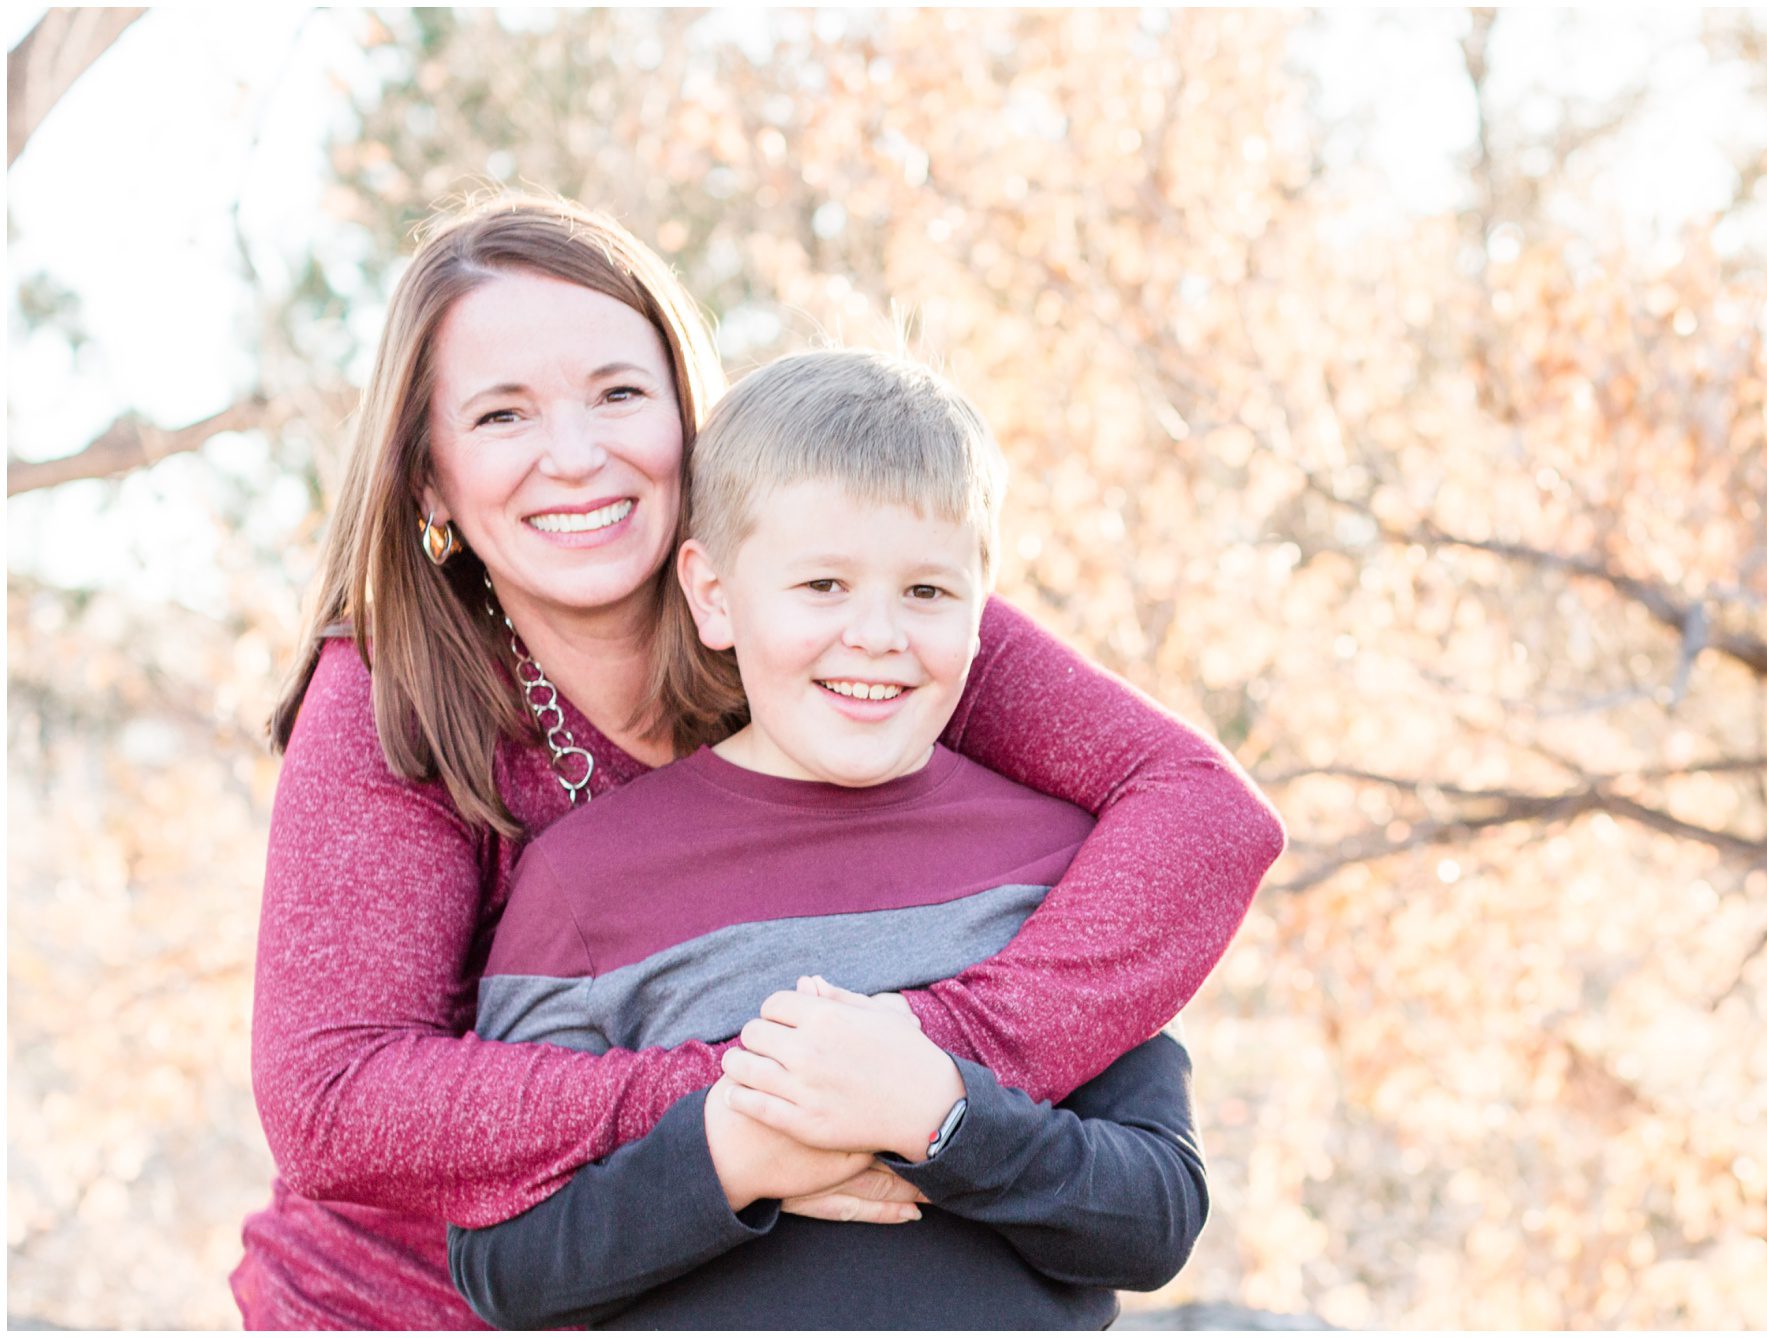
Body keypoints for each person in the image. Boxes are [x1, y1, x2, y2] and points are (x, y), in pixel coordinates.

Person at [231, 191, 1284, 1330]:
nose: (575, 456)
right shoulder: (400, 693)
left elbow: (1200, 812)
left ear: (692, 417)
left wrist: (928, 1068)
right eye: (501, 417)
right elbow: (332, 1104)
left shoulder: (849, 616)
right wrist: (760, 1103)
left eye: (619, 395)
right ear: (428, 478)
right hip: (409, 1304)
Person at [448, 349, 1208, 1328]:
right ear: (715, 596)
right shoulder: (584, 883)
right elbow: (501, 1267)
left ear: (984, 603)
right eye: (822, 586)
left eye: (926, 593)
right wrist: (733, 1158)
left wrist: (940, 1118)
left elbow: (1154, 1220)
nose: (878, 634)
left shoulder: (1062, 862)